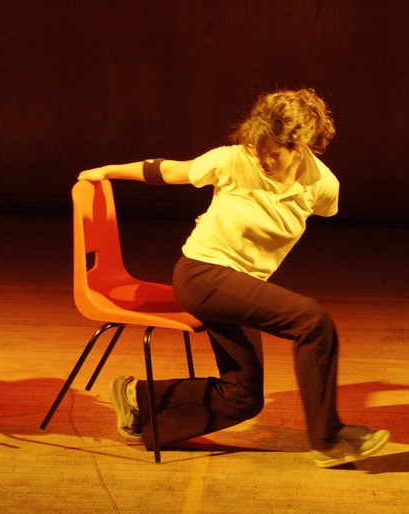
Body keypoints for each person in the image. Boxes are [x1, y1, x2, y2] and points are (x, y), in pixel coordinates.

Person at [77, 88, 389, 468]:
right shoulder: (234, 160)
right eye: (258, 148)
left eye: (273, 152)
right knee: (312, 321)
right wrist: (107, 171)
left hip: (240, 287)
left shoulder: (323, 187)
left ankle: (138, 400)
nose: (262, 159)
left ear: (300, 146)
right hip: (202, 275)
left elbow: (301, 213)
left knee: (243, 398)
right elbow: (169, 170)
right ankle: (328, 439)